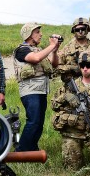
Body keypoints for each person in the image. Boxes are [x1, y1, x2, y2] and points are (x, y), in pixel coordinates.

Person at [13, 23, 60, 151]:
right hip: (29, 91)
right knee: (33, 121)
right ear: (28, 34)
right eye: (37, 32)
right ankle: (21, 150)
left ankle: (32, 149)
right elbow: (35, 58)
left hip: (41, 91)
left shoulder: (40, 50)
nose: (41, 34)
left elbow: (54, 64)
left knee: (39, 122)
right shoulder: (21, 50)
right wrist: (51, 45)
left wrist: (54, 50)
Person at [56, 17, 90, 82]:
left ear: (87, 29)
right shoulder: (67, 48)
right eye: (77, 29)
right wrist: (71, 68)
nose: (80, 31)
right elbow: (57, 67)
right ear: (74, 31)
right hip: (73, 84)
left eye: (83, 29)